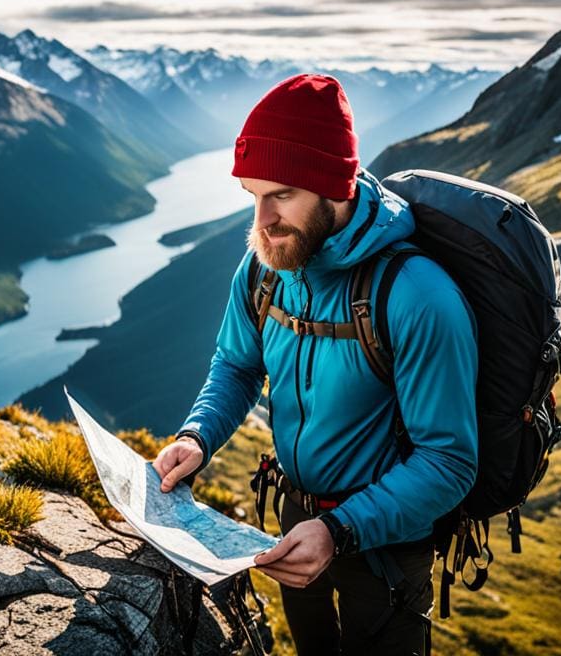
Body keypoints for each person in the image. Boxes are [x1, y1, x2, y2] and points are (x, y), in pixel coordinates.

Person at [152, 74, 479, 656]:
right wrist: (198, 436)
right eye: (253, 195)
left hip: (384, 548)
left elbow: (449, 462)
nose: (263, 219)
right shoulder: (265, 268)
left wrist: (339, 530)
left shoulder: (416, 296)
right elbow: (236, 366)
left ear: (337, 186)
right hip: (294, 515)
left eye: (282, 194)